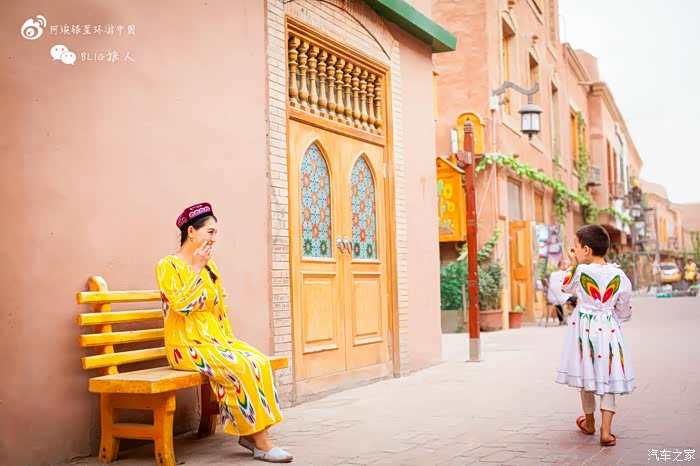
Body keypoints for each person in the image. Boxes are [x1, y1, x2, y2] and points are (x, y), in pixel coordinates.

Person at [156, 202, 293, 463]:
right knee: (240, 366)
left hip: (214, 340)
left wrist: (227, 340)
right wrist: (196, 268)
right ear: (191, 231)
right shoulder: (167, 266)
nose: (214, 238)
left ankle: (250, 434)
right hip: (185, 345)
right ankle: (262, 443)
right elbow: (181, 306)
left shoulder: (210, 266)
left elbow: (219, 307)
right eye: (210, 232)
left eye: (215, 233)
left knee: (258, 361)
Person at [556, 224, 635, 447]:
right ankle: (606, 431)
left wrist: (573, 263)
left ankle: (589, 422)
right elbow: (624, 308)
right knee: (608, 374)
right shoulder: (619, 275)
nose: (574, 250)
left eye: (576, 246)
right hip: (609, 328)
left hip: (584, 329)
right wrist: (613, 312)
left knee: (586, 373)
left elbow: (565, 287)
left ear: (586, 250)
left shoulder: (580, 271)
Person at [547, 260, 579, 324]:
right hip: (562, 297)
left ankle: (561, 320)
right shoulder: (565, 274)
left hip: (553, 298)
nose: (568, 266)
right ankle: (577, 319)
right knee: (578, 300)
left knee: (558, 301)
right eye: (567, 265)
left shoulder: (552, 274)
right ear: (562, 266)